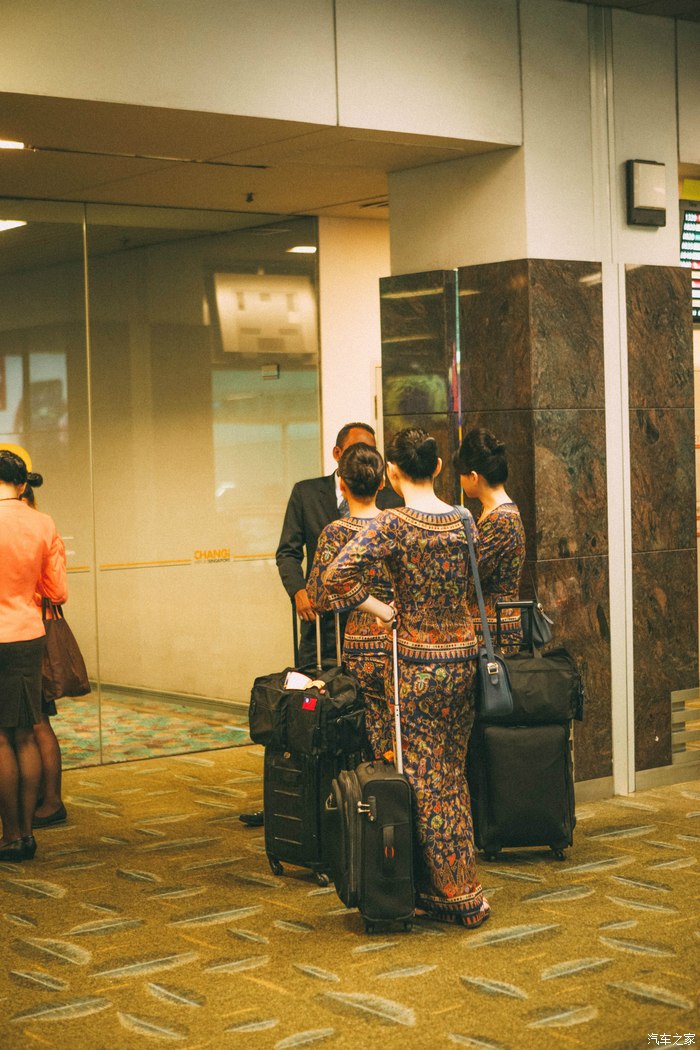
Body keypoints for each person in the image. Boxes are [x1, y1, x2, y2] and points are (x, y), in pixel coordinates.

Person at [324, 427, 490, 928]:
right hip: (462, 658)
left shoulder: (393, 524)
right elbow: (474, 579)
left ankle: (451, 893)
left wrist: (382, 611)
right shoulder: (463, 518)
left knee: (422, 775)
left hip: (416, 665)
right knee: (452, 771)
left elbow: (335, 577)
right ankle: (461, 885)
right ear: (437, 467)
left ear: (392, 473)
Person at [239, 422, 401, 828]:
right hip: (321, 630)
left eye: (371, 452)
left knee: (373, 719)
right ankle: (313, 802)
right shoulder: (307, 493)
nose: (365, 459)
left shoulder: (392, 503)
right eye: (357, 452)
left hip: (374, 634)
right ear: (337, 456)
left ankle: (368, 799)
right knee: (316, 716)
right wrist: (298, 591)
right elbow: (288, 552)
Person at [306, 443, 394, 760]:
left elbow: (318, 596)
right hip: (400, 638)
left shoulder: (335, 533)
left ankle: (374, 780)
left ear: (342, 484)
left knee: (367, 724)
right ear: (381, 483)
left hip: (360, 643)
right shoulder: (396, 525)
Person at [0, 448, 67, 861]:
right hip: (28, 635)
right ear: (23, 484)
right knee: (25, 732)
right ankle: (25, 835)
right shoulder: (42, 522)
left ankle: (8, 834)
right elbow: (57, 592)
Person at [19, 479, 68, 829]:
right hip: (28, 632)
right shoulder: (36, 528)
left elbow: (56, 590)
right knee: (33, 722)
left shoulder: (35, 530)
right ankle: (42, 796)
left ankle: (51, 800)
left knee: (37, 722)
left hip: (29, 633)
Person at [455, 428, 526, 654]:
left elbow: (471, 572)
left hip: (495, 633)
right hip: (492, 626)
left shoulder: (500, 520)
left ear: (474, 477)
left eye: (462, 475)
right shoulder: (498, 512)